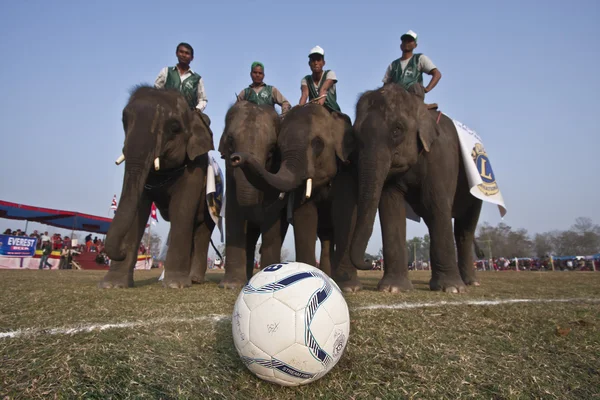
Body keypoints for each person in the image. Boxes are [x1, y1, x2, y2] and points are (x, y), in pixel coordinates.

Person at [382, 30, 442, 101]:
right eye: (404, 41)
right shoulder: (393, 65)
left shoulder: (419, 59)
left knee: (414, 86)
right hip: (396, 99)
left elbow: (437, 74)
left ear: (415, 45)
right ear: (400, 45)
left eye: (410, 41)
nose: (406, 43)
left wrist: (427, 89)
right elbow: (385, 85)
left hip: (413, 98)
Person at [154, 42, 208, 114]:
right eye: (181, 52)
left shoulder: (197, 79)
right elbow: (156, 91)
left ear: (192, 58)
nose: (183, 55)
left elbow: (203, 99)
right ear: (176, 53)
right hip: (166, 112)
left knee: (206, 120)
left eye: (187, 53)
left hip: (189, 115)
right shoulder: (166, 71)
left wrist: (197, 110)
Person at [299, 46, 342, 113]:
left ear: (323, 63)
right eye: (313, 60)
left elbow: (323, 89)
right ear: (309, 64)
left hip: (331, 111)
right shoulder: (305, 80)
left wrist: (318, 105)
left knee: (345, 120)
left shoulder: (330, 74)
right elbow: (304, 95)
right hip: (312, 110)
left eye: (318, 60)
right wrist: (298, 110)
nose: (316, 63)